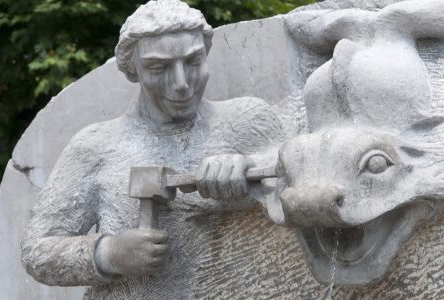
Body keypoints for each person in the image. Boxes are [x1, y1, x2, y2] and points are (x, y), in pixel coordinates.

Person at [21, 1, 285, 298]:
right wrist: (109, 253)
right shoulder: (95, 147)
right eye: (159, 68)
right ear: (133, 70)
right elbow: (37, 251)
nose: (182, 83)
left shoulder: (248, 121)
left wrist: (252, 170)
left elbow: (306, 185)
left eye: (194, 61)